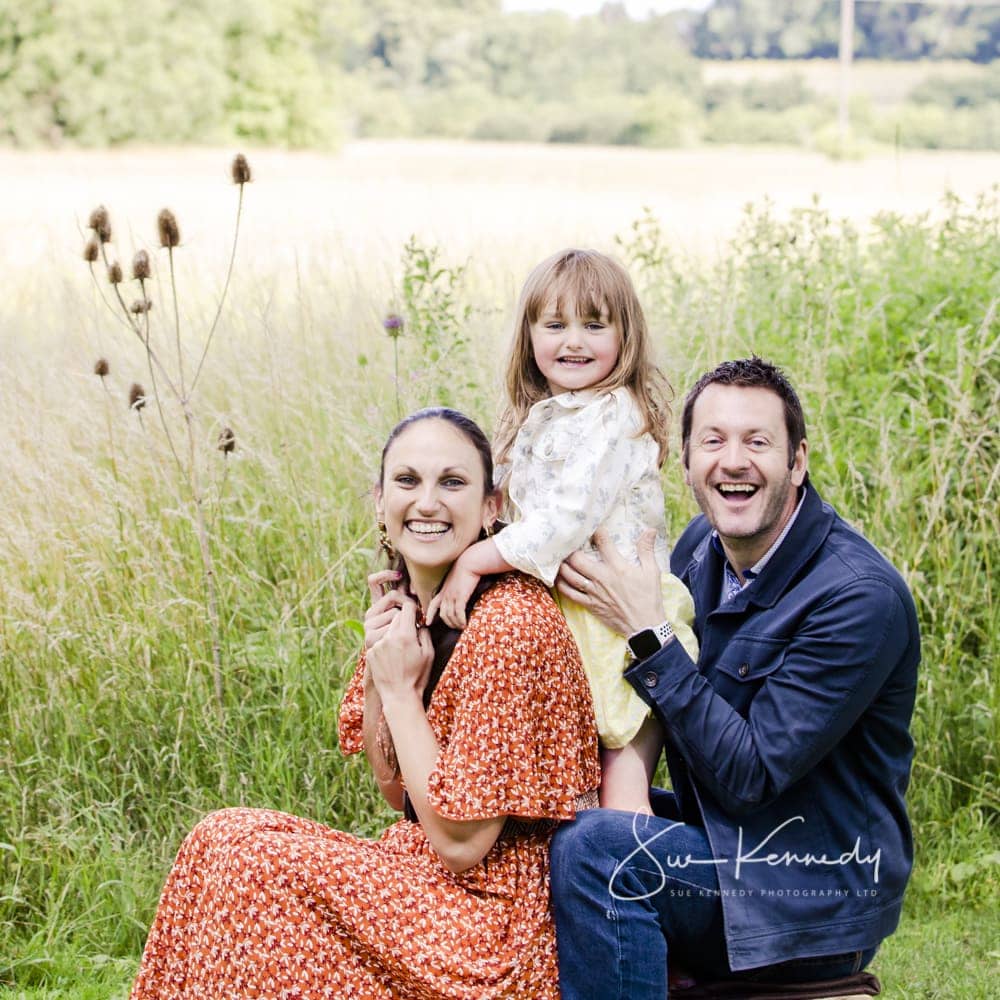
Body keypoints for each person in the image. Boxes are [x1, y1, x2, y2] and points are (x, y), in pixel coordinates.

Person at [129, 407, 600, 1000]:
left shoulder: (509, 620)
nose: (427, 502)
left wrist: (400, 690)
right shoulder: (412, 610)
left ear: (491, 507)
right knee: (215, 841)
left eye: (452, 483)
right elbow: (399, 795)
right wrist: (383, 677)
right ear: (380, 502)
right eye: (407, 481)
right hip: (422, 882)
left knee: (247, 856)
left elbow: (461, 844)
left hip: (493, 925)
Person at [549, 357, 920, 999]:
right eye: (713, 441)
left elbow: (750, 774)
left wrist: (650, 633)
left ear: (796, 462)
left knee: (600, 852)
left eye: (758, 441)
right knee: (560, 816)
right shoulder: (700, 547)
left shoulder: (859, 599)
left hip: (806, 893)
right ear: (687, 462)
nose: (734, 461)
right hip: (727, 845)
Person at [429, 248, 697, 814]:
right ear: (530, 336)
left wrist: (476, 561)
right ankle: (592, 893)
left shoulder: (615, 414)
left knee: (623, 797)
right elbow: (513, 501)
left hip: (626, 626)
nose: (573, 341)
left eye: (593, 325)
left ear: (625, 336)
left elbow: (565, 518)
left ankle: (662, 895)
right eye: (555, 325)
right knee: (580, 801)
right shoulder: (545, 415)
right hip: (574, 620)